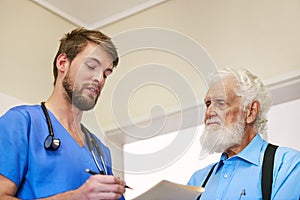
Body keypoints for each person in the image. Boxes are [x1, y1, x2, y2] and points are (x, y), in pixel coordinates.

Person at [0, 28, 126, 199]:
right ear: (62, 63)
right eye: (91, 66)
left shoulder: (100, 152)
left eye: (106, 73)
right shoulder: (21, 123)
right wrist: (75, 197)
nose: (100, 79)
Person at [187, 68, 300, 199]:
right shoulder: (197, 181)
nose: (209, 113)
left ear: (251, 111)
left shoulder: (287, 166)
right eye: (208, 104)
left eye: (220, 103)